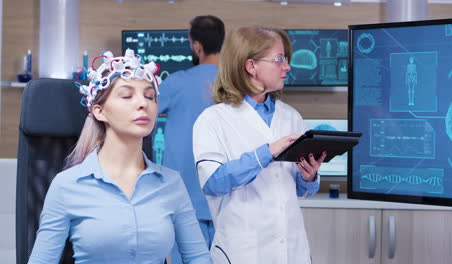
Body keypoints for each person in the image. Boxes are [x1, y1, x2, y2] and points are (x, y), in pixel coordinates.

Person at [28, 49, 211, 264]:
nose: (143, 103)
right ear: (99, 111)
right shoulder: (67, 185)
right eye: (126, 95)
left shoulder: (171, 183)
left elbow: (198, 258)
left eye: (150, 96)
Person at [193, 26, 327, 264]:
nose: (287, 67)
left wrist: (308, 177)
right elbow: (213, 183)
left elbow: (298, 191)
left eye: (287, 59)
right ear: (251, 66)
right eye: (279, 59)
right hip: (243, 250)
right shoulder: (213, 119)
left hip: (291, 249)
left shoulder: (291, 116)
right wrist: (266, 153)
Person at [157, 15, 224, 263]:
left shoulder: (176, 83)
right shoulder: (237, 85)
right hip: (226, 200)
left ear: (196, 46)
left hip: (183, 200)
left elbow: (141, 115)